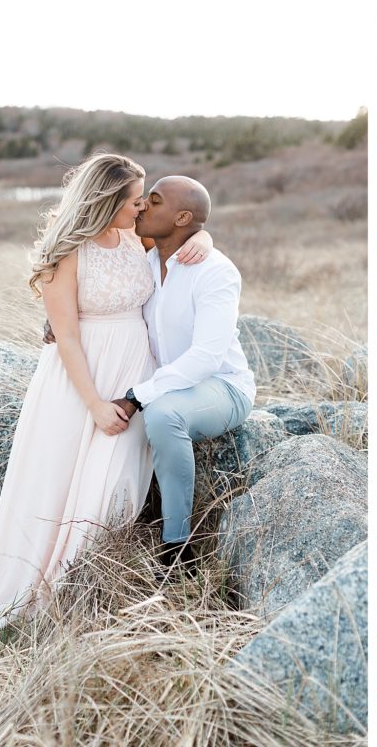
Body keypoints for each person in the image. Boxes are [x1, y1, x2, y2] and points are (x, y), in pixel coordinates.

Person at [0, 154, 210, 629]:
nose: (142, 207)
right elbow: (68, 337)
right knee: (56, 478)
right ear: (106, 201)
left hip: (132, 375)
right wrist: (96, 404)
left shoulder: (132, 235)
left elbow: (182, 229)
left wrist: (202, 235)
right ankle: (45, 591)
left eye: (145, 200)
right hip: (79, 381)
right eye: (135, 199)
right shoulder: (68, 250)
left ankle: (84, 581)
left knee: (113, 485)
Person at [113, 175, 255, 571]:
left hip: (223, 386)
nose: (142, 206)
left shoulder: (215, 271)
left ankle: (177, 548)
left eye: (154, 201)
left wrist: (138, 395)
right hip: (171, 385)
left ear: (183, 217)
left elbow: (207, 357)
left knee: (162, 414)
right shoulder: (143, 259)